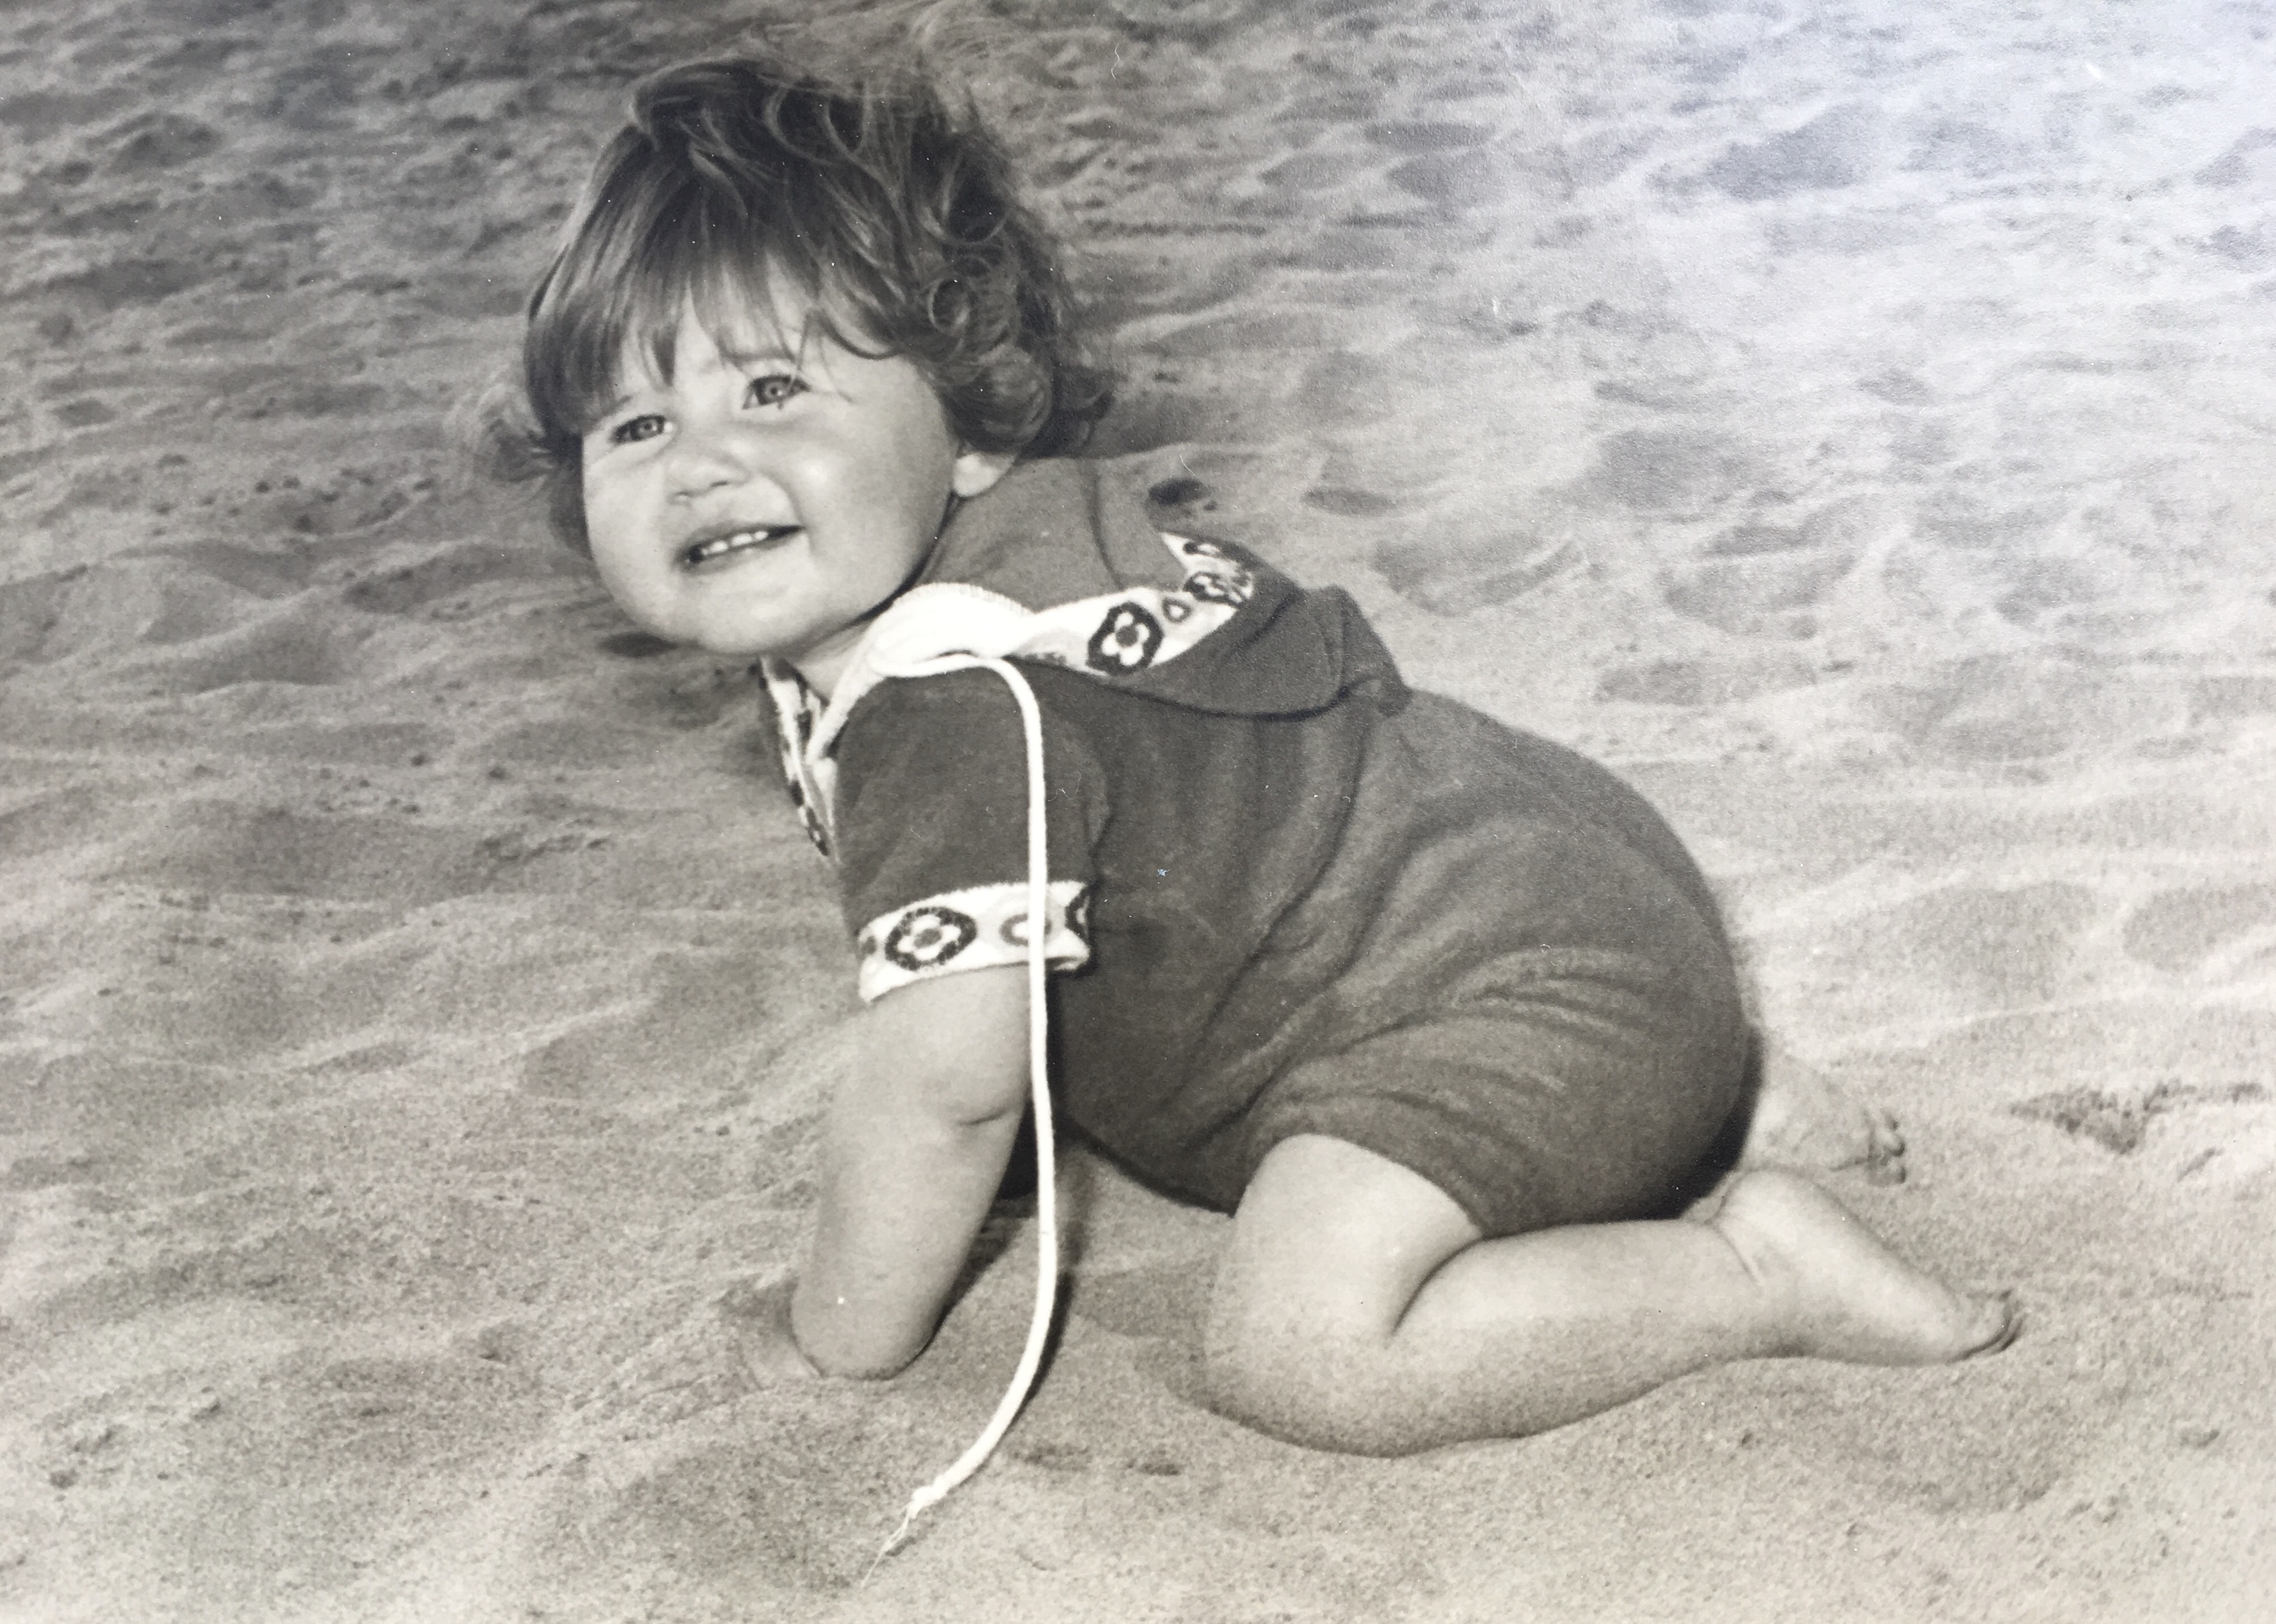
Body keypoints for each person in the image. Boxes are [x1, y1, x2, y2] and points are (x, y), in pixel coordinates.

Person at [485, 50, 2015, 1459]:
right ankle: (1705, 1098)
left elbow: (948, 1093)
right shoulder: (1053, 539)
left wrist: (839, 1334)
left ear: (964, 423)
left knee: (1303, 1350)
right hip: (1586, 887)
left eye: (771, 389)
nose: (702, 462)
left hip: (1510, 994)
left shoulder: (949, 709)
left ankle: (1749, 1269)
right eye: (629, 426)